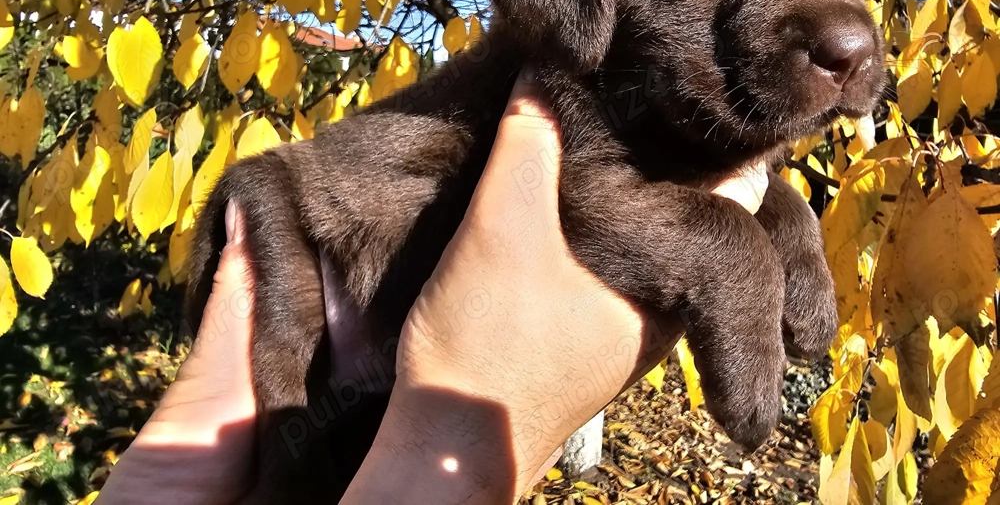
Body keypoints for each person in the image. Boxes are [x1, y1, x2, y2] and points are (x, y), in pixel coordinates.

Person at [97, 70, 769, 504]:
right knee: (292, 457)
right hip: (331, 258)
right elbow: (600, 204)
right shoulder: (565, 86)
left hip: (368, 366)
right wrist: (459, 461)